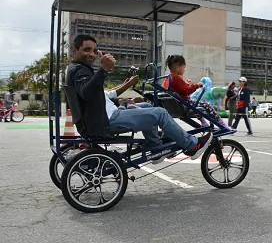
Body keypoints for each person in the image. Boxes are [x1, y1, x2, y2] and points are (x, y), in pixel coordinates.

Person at [66, 34, 212, 164]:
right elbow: (87, 92)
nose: (91, 54)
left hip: (101, 118)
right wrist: (103, 69)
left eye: (93, 51)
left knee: (147, 107)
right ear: (75, 51)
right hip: (107, 120)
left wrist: (127, 84)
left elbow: (103, 94)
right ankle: (192, 145)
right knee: (160, 113)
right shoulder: (80, 71)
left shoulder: (76, 69)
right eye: (86, 50)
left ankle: (154, 146)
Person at [162, 55, 232, 130]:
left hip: (177, 105)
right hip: (184, 104)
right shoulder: (176, 77)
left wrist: (186, 83)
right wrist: (197, 85)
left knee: (196, 105)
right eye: (184, 67)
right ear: (177, 67)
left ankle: (204, 123)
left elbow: (180, 89)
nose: (184, 69)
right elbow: (187, 91)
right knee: (206, 105)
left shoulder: (167, 78)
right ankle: (221, 124)